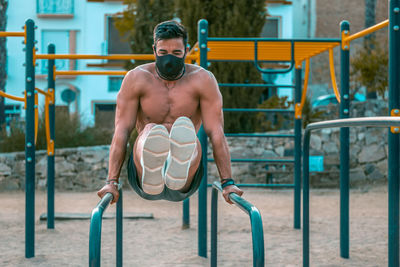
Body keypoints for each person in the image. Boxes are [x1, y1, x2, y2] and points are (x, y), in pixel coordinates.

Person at [97, 20, 243, 204]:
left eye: (176, 53)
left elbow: (216, 132)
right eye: (163, 52)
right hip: (143, 176)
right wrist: (111, 182)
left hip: (186, 179)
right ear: (154, 50)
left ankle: (178, 165)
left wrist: (228, 182)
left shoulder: (202, 80)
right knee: (150, 129)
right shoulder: (137, 78)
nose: (169, 59)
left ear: (186, 50)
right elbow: (122, 131)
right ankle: (153, 169)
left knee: (186, 132)